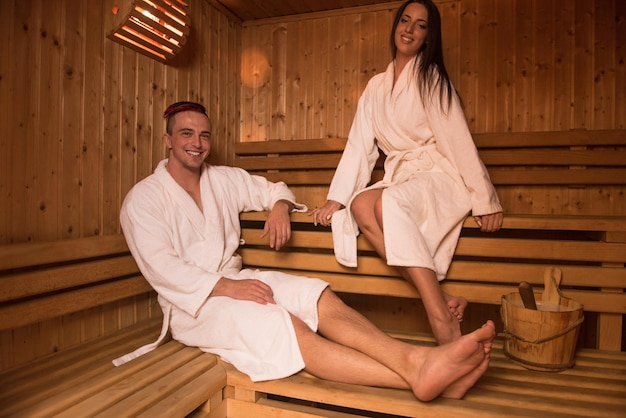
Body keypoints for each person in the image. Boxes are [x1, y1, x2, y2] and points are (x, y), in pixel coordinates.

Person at [114, 100, 495, 402]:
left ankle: (417, 363)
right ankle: (425, 374)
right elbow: (162, 269)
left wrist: (280, 206)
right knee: (286, 325)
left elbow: (274, 188)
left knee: (316, 294)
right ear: (167, 140)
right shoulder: (143, 199)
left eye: (204, 135)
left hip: (237, 280)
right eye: (186, 134)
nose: (196, 143)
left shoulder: (223, 179)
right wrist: (228, 288)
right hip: (192, 305)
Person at [310, 0, 503, 346]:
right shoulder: (375, 88)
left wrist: (484, 200)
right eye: (405, 21)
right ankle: (440, 298)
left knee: (386, 204)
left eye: (421, 25)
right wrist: (336, 200)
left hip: (438, 176)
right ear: (396, 26)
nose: (409, 30)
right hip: (405, 177)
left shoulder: (432, 79)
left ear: (429, 37)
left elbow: (458, 140)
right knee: (360, 206)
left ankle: (440, 319)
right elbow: (359, 147)